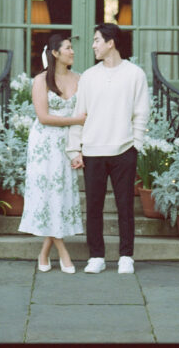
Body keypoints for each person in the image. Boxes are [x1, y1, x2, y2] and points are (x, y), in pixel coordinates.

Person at [67, 23, 149, 274]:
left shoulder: (135, 74)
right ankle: (96, 256)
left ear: (110, 42)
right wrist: (74, 149)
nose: (93, 45)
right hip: (93, 151)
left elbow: (141, 113)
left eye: (97, 40)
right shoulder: (89, 76)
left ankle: (126, 256)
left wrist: (135, 145)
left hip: (124, 150)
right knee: (93, 206)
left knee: (125, 206)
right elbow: (79, 113)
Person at [18, 34, 86, 273]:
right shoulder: (40, 81)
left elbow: (87, 112)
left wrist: (79, 146)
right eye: (68, 48)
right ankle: (63, 252)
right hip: (44, 145)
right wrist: (76, 119)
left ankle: (44, 251)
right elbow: (43, 117)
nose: (72, 52)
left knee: (61, 195)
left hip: (68, 144)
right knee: (47, 194)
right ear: (55, 53)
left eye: (72, 48)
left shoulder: (80, 79)